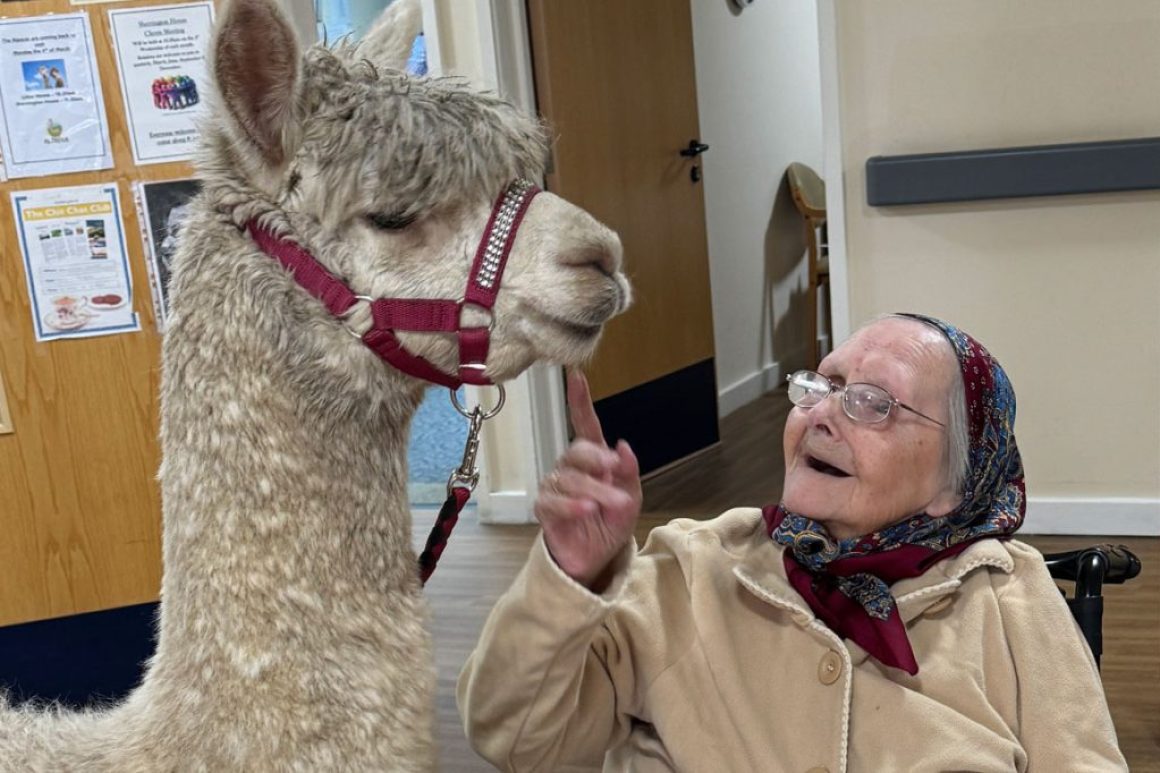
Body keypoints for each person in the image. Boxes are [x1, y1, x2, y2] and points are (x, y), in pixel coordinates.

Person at [458, 313, 1127, 771]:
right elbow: (517, 738)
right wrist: (570, 577)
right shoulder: (689, 567)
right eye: (823, 385)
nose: (823, 413)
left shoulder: (1008, 595)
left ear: (956, 479)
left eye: (873, 402)